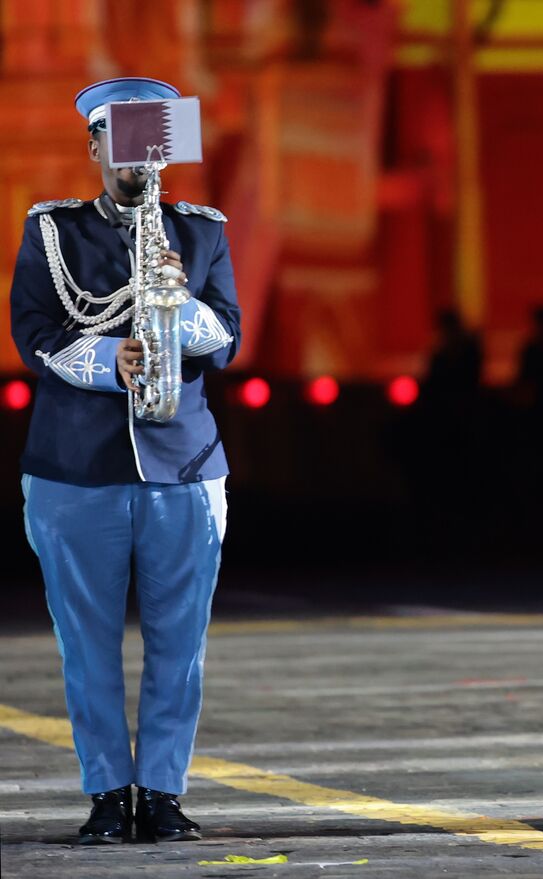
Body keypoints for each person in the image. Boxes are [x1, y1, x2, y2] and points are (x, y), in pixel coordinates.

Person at [9, 77, 240, 844]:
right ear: (96, 145)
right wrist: (114, 358)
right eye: (122, 137)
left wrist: (182, 301)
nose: (137, 155)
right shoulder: (54, 231)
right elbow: (35, 331)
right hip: (76, 468)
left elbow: (230, 338)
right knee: (87, 643)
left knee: (182, 642)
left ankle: (164, 791)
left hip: (183, 464)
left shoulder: (201, 231)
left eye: (151, 138)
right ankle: (109, 792)